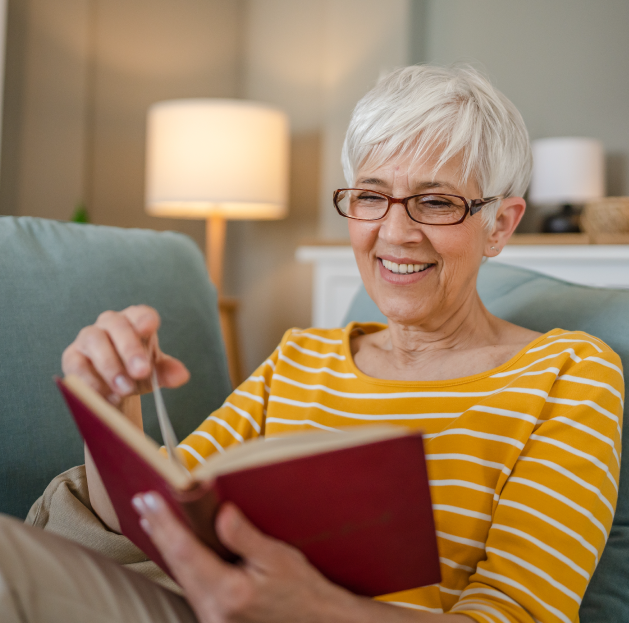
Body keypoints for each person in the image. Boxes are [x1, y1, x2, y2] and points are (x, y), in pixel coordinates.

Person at [0, 64, 623, 623]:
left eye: (435, 202)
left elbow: (519, 616)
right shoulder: (301, 356)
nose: (395, 233)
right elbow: (150, 522)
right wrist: (112, 410)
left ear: (500, 225)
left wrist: (318, 610)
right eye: (372, 197)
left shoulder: (570, 374)